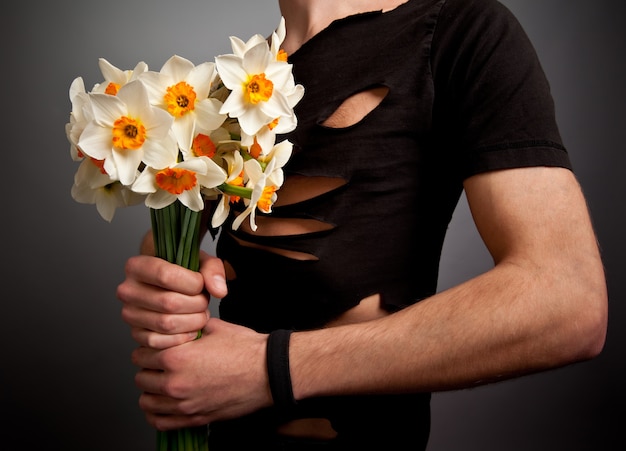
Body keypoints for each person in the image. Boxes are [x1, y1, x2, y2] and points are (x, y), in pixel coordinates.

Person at [117, 0, 608, 448]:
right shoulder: (235, 82)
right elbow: (189, 248)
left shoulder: (464, 30)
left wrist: (269, 370)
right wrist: (168, 278)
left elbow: (567, 301)